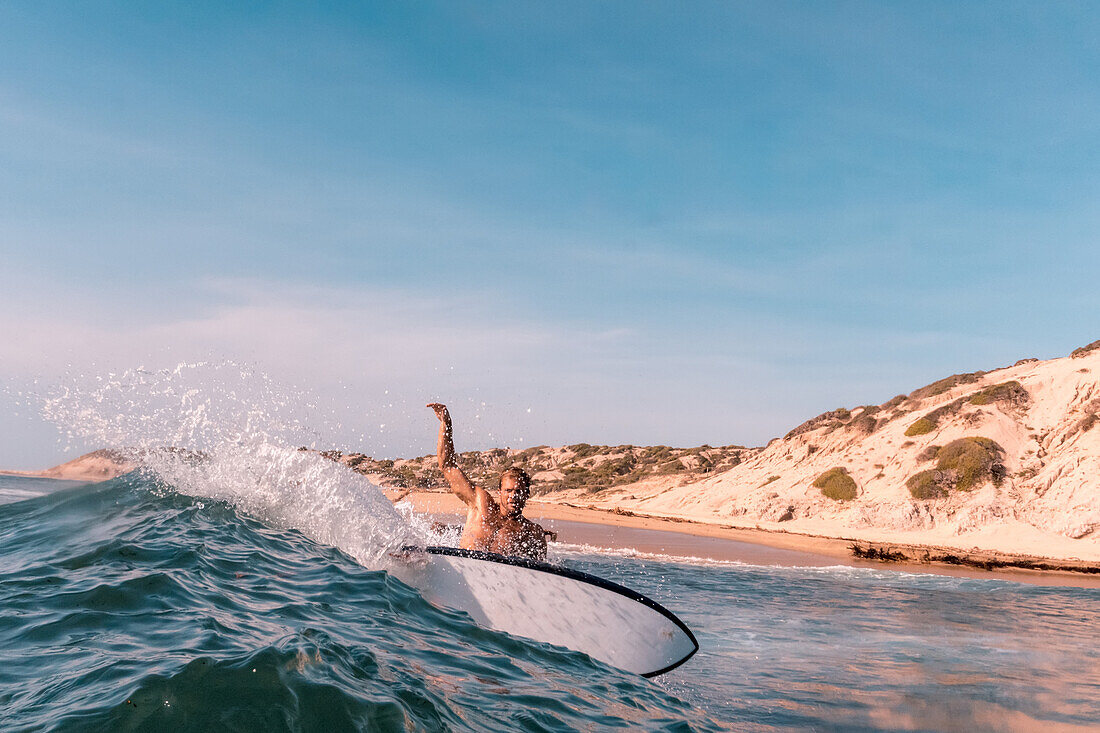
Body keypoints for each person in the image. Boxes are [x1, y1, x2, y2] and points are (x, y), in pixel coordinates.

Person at [427, 403, 548, 561]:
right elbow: (448, 467)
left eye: (519, 491)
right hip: (462, 573)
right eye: (508, 490)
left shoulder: (532, 532)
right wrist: (446, 425)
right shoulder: (481, 504)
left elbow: (540, 574)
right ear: (500, 492)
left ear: (527, 495)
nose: (513, 496)